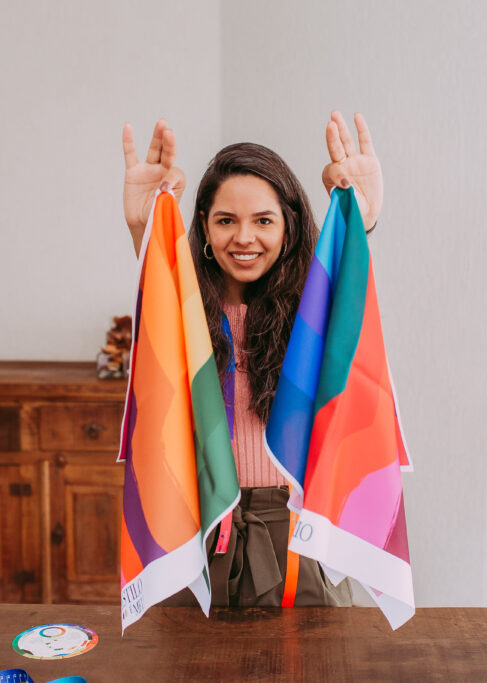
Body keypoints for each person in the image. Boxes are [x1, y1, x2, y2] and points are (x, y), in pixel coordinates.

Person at [121, 112, 383, 607]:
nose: (244, 238)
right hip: (198, 535)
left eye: (263, 220)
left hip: (298, 541)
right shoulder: (185, 311)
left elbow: (352, 313)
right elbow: (157, 299)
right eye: (226, 220)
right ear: (203, 225)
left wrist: (361, 221)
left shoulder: (312, 310)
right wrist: (143, 230)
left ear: (289, 224)